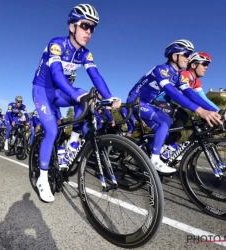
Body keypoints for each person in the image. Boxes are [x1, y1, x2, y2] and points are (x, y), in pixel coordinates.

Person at [32, 4, 121, 202]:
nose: (88, 32)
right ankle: (42, 178)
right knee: (53, 131)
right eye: (84, 26)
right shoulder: (57, 44)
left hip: (61, 92)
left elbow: (95, 76)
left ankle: (73, 144)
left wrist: (108, 98)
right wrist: (74, 93)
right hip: (43, 92)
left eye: (92, 28)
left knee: (87, 95)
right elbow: (56, 73)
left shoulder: (85, 54)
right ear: (72, 26)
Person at [126, 39, 222, 174]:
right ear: (174, 56)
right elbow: (173, 93)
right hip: (136, 101)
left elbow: (190, 94)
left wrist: (214, 110)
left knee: (164, 132)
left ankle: (147, 159)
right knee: (165, 121)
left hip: (148, 104)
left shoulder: (177, 76)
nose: (189, 58)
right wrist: (200, 111)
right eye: (186, 54)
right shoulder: (161, 70)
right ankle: (154, 160)